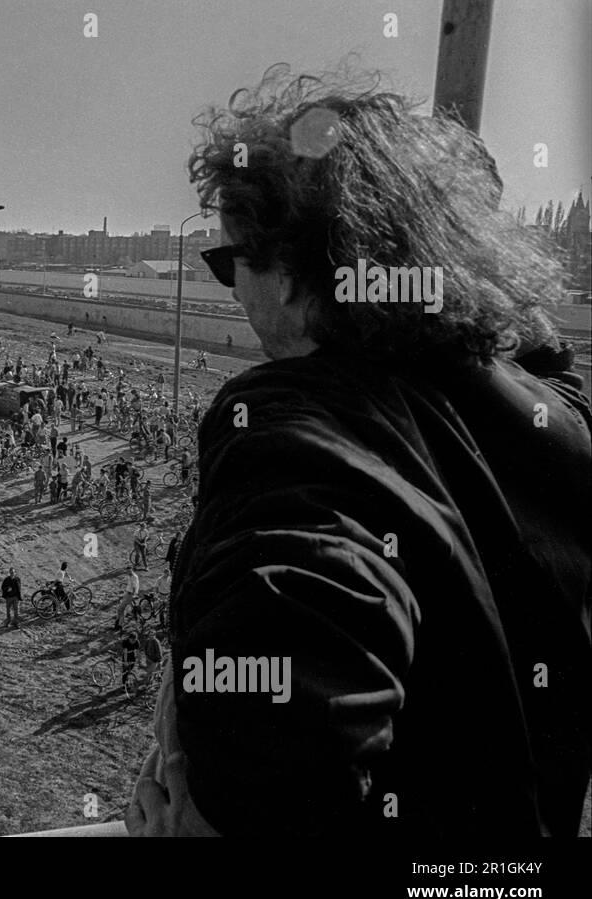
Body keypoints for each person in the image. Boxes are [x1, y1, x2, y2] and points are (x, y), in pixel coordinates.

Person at [127, 67, 592, 839]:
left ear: (293, 271)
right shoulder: (554, 418)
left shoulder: (294, 428)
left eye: (229, 261)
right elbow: (541, 352)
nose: (231, 290)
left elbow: (290, 710)